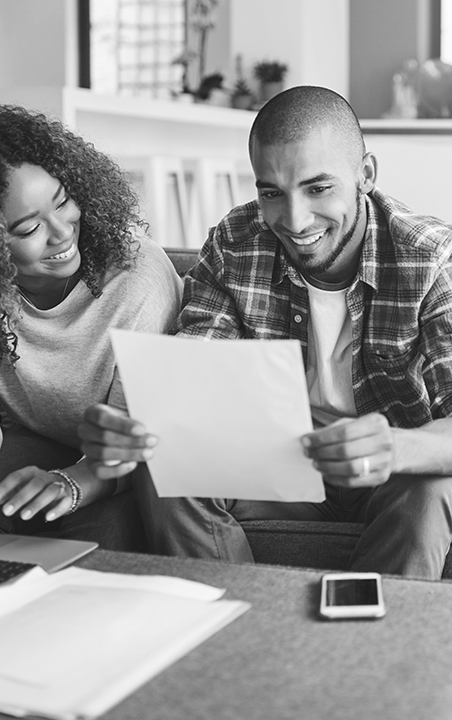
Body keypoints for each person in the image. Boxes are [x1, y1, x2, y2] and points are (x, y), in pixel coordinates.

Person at [79, 85, 452, 579]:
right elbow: (196, 368)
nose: (294, 221)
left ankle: (366, 652)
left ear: (365, 174)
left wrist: (395, 448)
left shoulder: (430, 258)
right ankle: (234, 631)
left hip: (387, 471)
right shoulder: (237, 243)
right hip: (279, 465)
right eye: (272, 191)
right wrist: (134, 427)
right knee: (166, 463)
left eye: (319, 188)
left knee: (431, 490)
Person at [0, 104, 182, 547]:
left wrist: (72, 484)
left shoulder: (136, 275)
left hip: (126, 457)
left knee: (99, 539)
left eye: (63, 202)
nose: (61, 233)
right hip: (37, 436)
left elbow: (136, 433)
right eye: (29, 227)